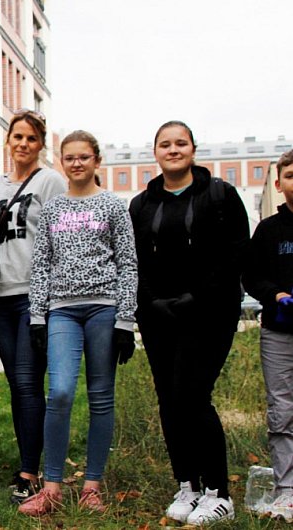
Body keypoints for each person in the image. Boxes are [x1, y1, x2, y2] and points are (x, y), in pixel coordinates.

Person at [129, 121, 249, 525]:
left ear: (193, 149)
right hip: (158, 315)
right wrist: (151, 301)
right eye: (165, 144)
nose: (173, 149)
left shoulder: (220, 195)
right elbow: (135, 259)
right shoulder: (142, 204)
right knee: (169, 399)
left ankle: (219, 493)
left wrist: (196, 297)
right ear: (155, 152)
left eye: (181, 143)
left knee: (193, 394)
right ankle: (188, 485)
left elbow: (235, 253)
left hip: (209, 312)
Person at [18, 130, 137, 516]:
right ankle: (51, 487)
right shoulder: (53, 209)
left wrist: (125, 320)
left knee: (101, 396)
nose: (77, 163)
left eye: (84, 157)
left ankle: (91, 486)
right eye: (69, 157)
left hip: (104, 309)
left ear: (96, 160)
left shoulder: (113, 205)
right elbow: (40, 264)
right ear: (62, 162)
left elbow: (128, 264)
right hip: (62, 311)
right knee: (61, 392)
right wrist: (38, 316)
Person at [0, 110, 66, 502]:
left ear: (40, 144)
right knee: (16, 383)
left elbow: (60, 238)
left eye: (31, 138)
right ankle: (27, 461)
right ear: (8, 140)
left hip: (34, 295)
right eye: (17, 136)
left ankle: (30, 472)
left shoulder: (51, 182)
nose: (23, 144)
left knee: (28, 380)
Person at [243, 149, 293, 520]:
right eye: (290, 175)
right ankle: (286, 489)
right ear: (278, 183)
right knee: (282, 408)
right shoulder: (269, 230)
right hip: (279, 332)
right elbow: (251, 276)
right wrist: (275, 295)